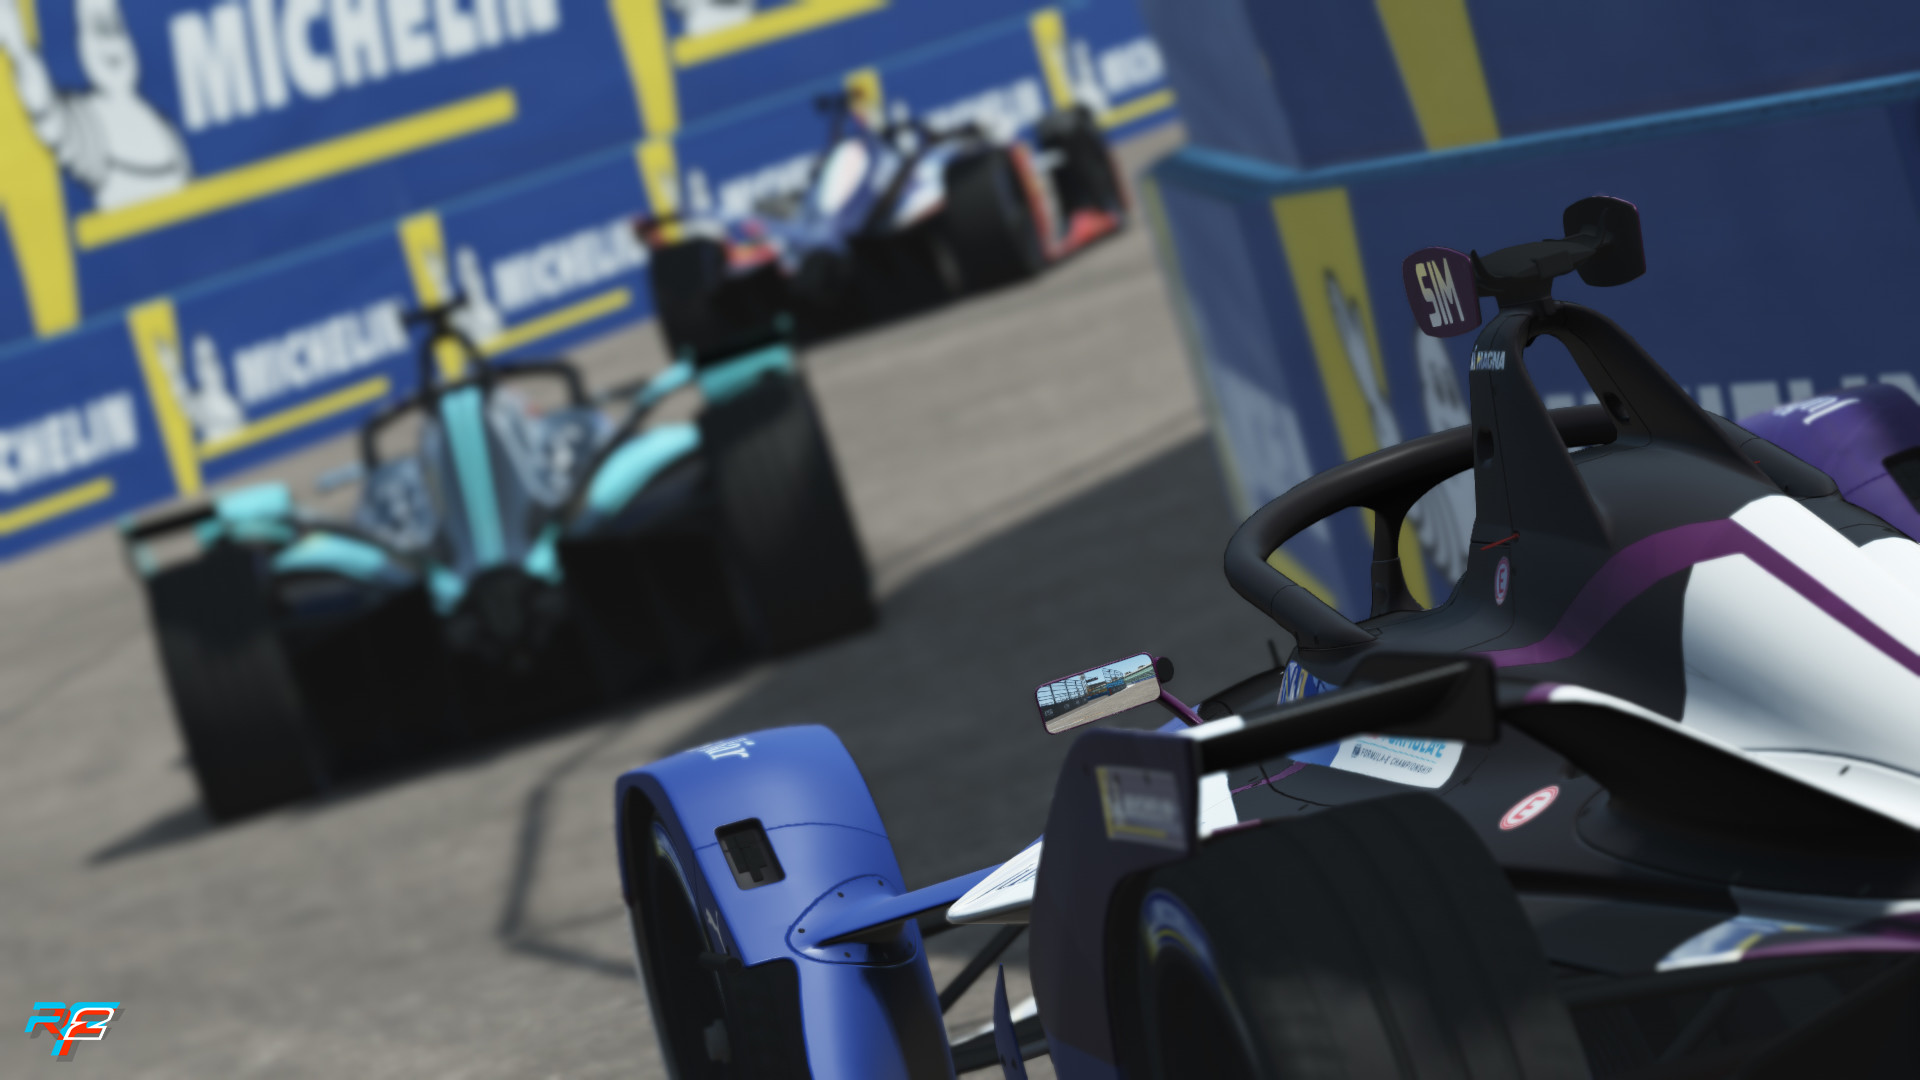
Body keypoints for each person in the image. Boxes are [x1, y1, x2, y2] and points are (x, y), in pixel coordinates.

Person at [0, 0, 190, 210]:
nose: (109, 42)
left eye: (116, 27)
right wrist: (19, 48)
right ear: (79, 44)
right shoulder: (89, 120)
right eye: (96, 29)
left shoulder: (163, 126)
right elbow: (45, 112)